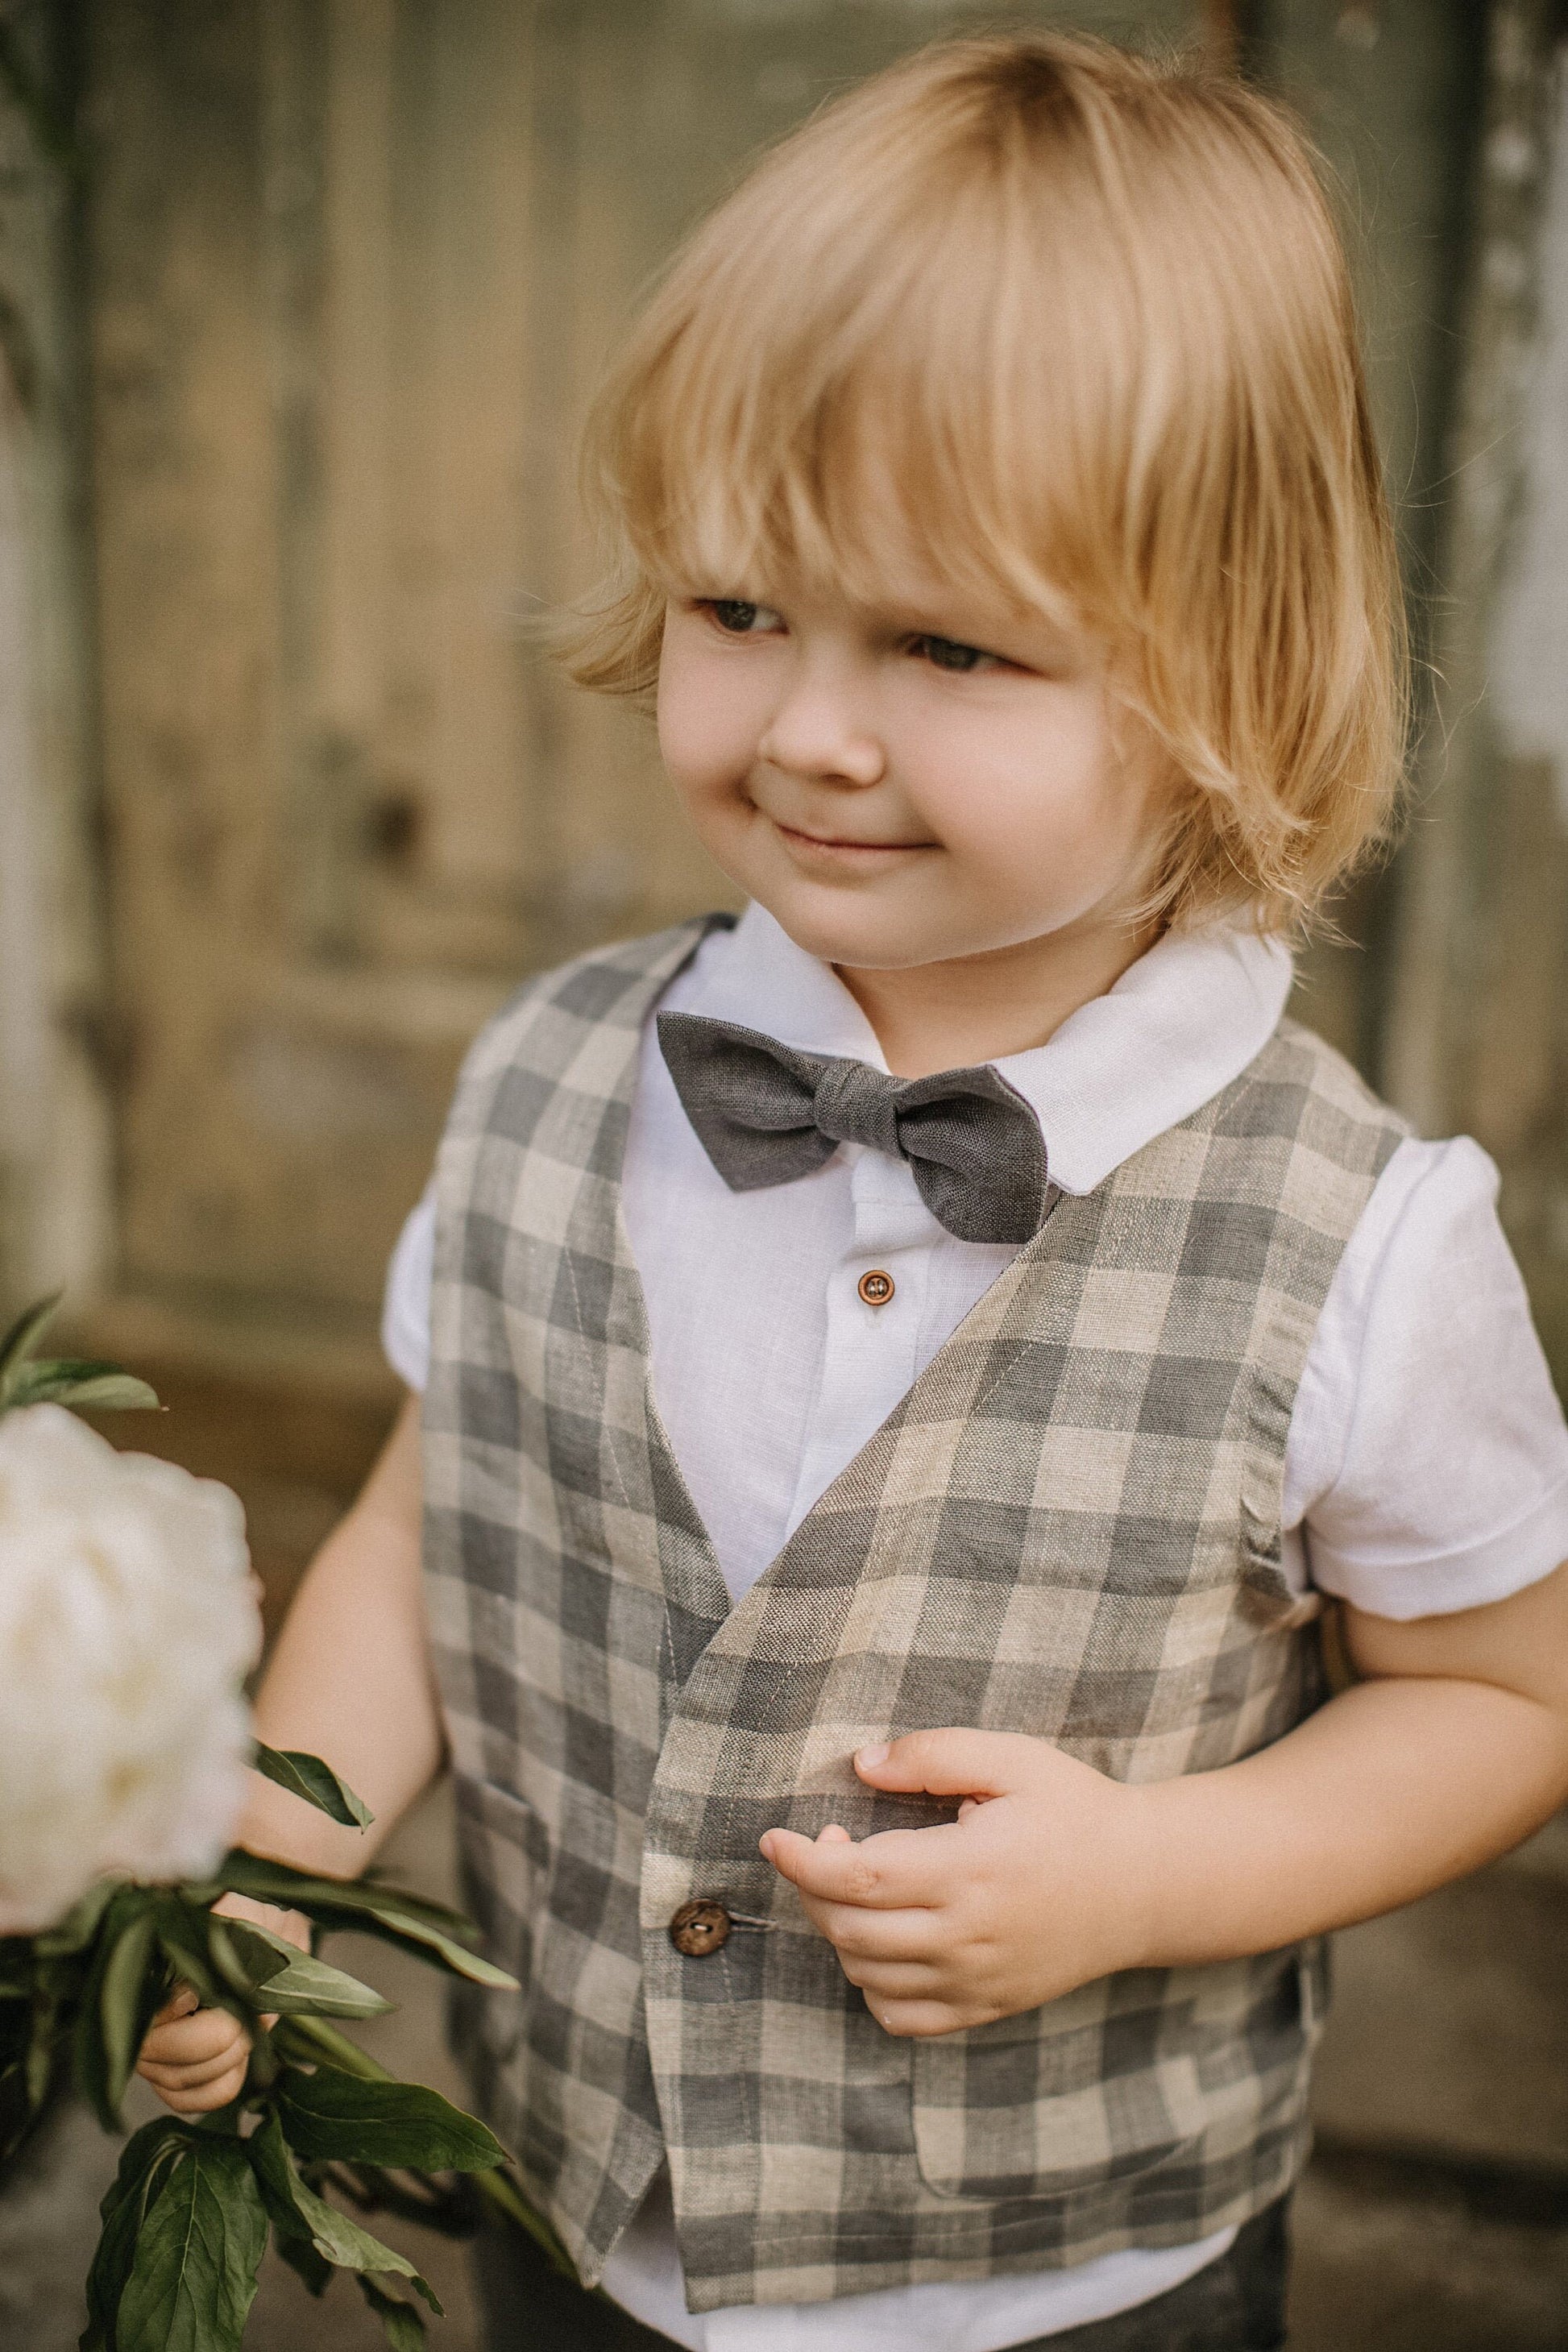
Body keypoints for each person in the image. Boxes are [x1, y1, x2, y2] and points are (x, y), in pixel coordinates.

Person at [138, 32, 1568, 2352]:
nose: (806, 726)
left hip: (1068, 2279)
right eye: (736, 610)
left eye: (943, 644)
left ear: (1228, 669)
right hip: (584, 2203)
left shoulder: (1354, 1242)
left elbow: (1507, 1702)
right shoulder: (555, 1077)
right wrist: (275, 1865)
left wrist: (1146, 1874)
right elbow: (435, 1522)